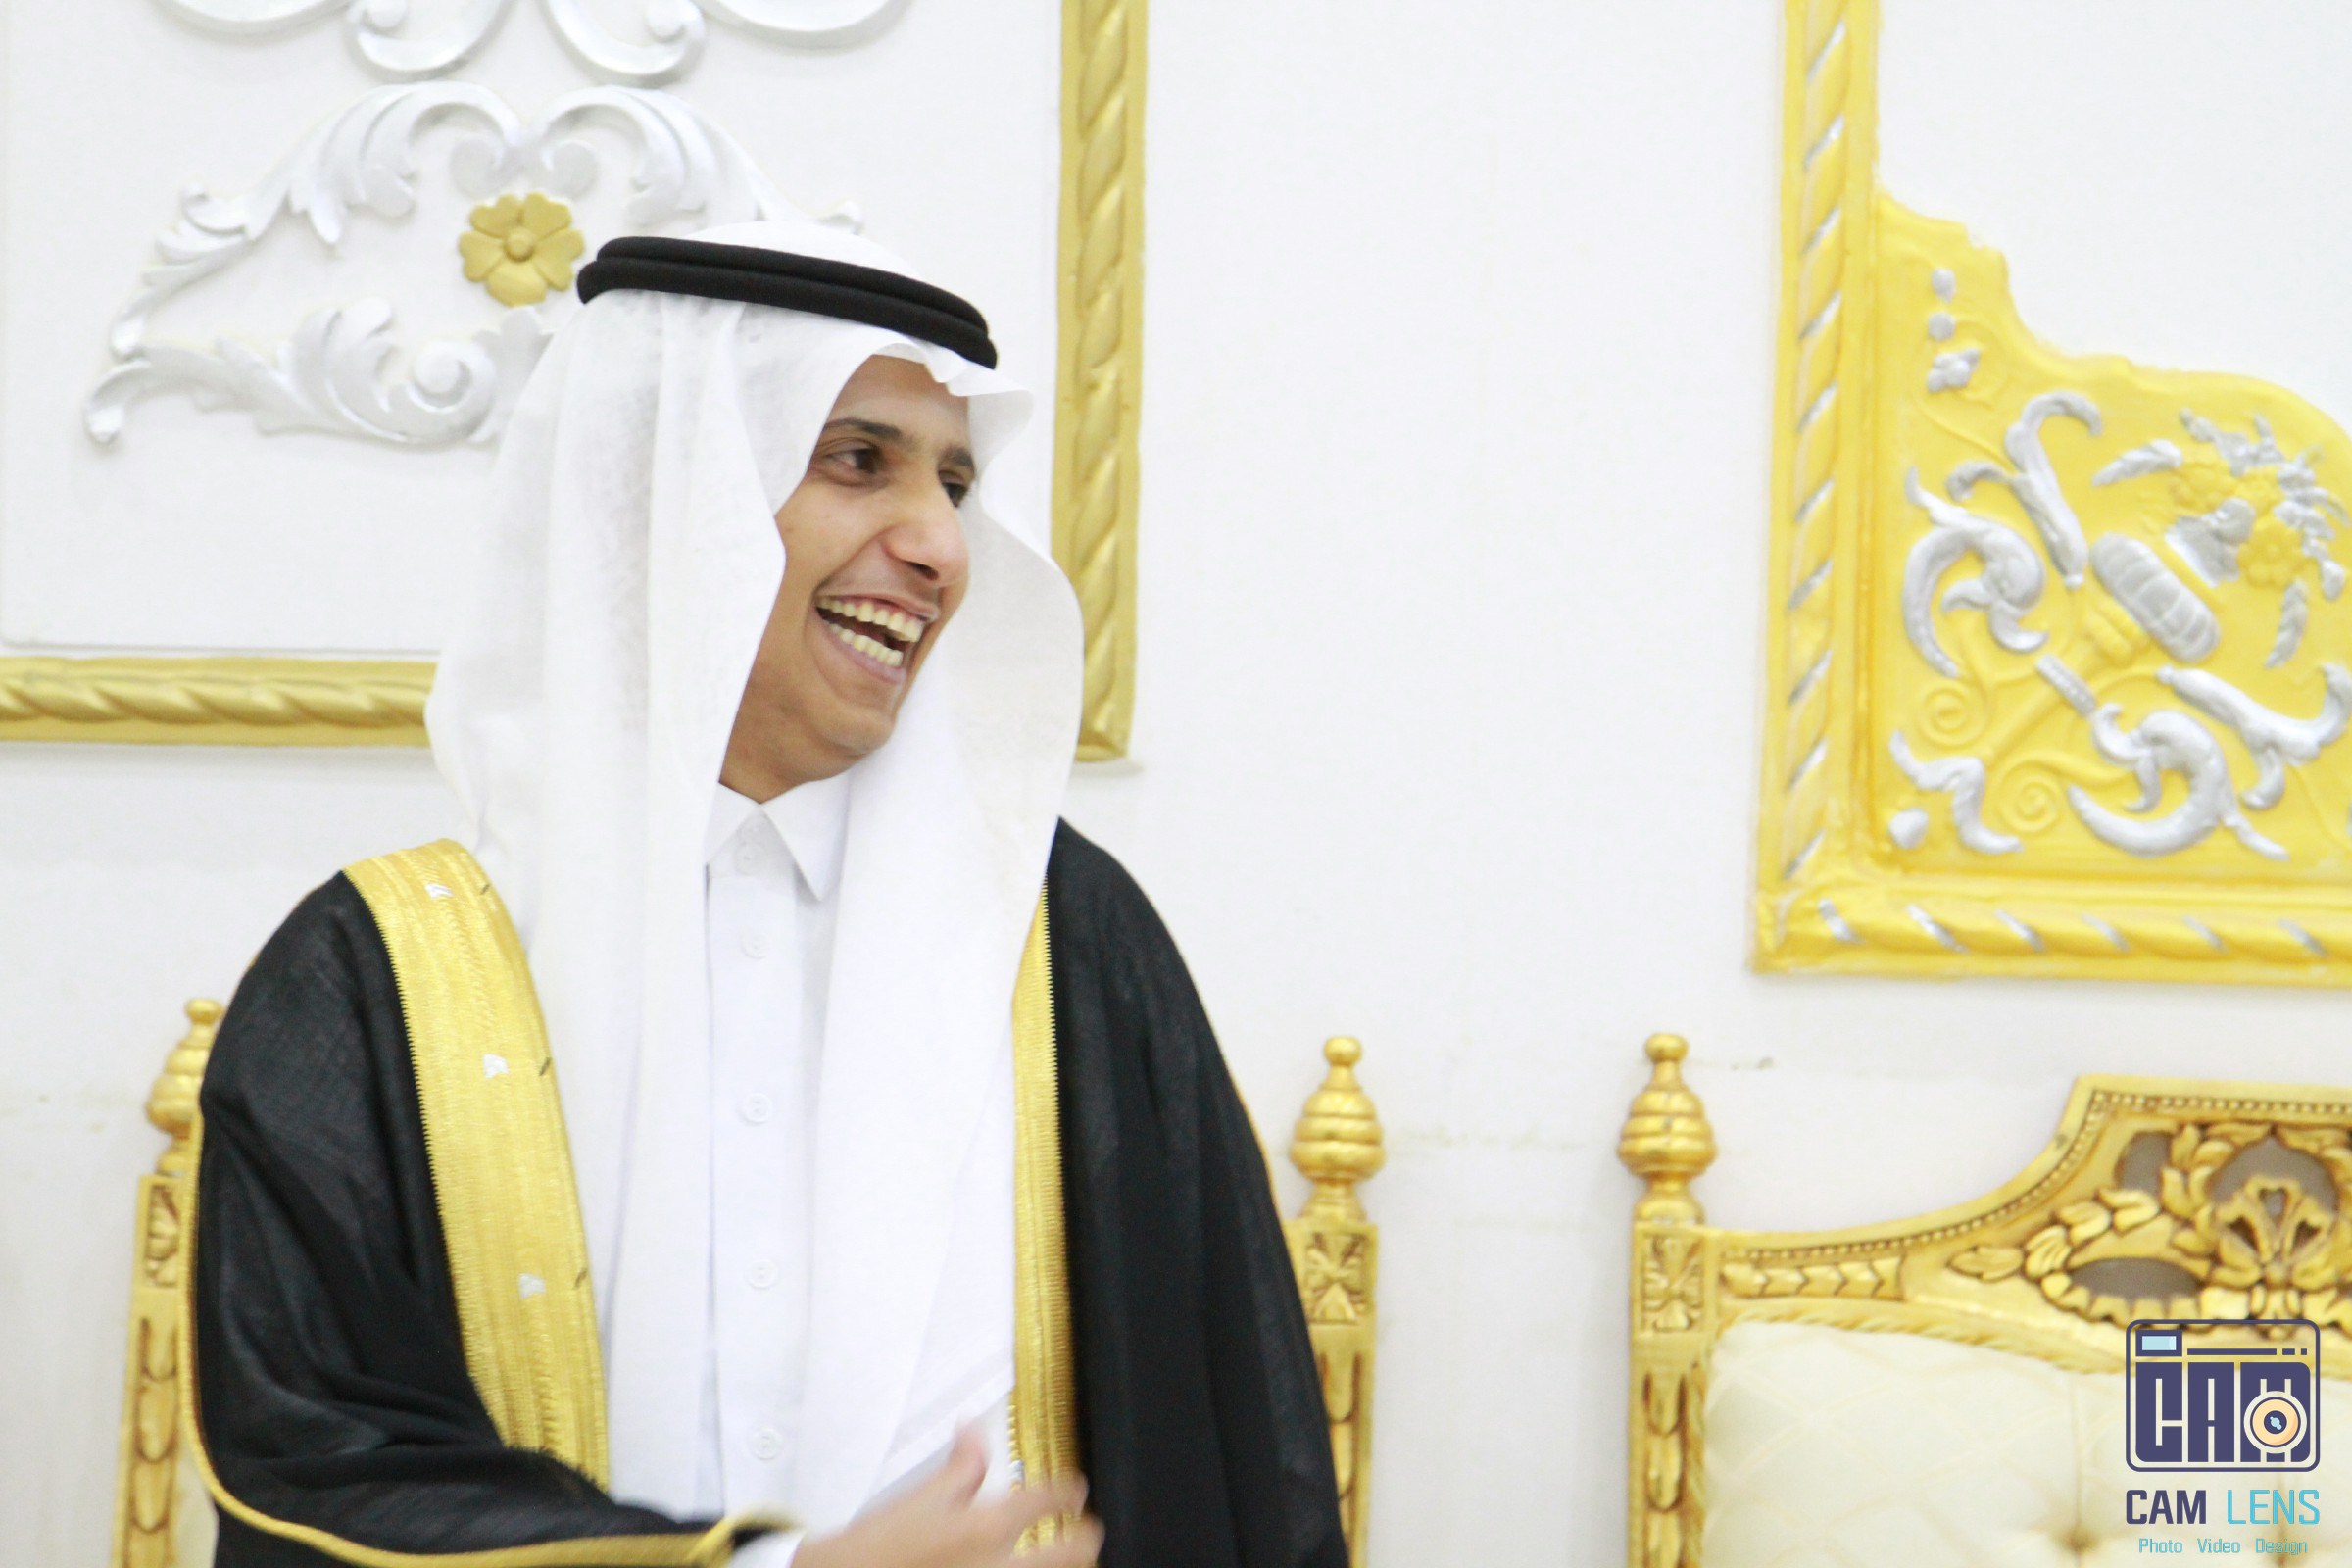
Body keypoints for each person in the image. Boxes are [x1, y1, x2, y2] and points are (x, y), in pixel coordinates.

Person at [182, 218, 1348, 1568]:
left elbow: (1243, 1453)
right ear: (664, 500)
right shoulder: (374, 980)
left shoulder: (1066, 944)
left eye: (955, 484)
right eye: (858, 461)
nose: (940, 546)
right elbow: (320, 1462)